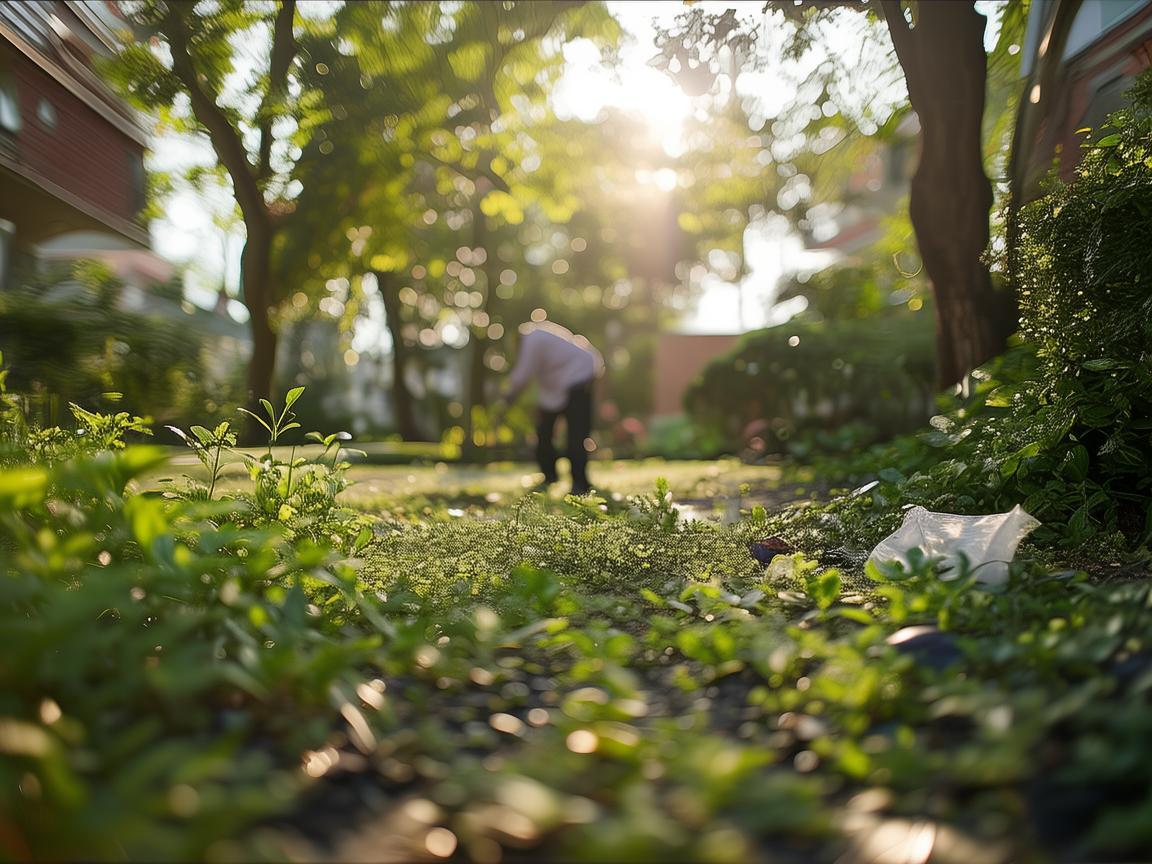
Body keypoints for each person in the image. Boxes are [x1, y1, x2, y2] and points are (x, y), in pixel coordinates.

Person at [495, 319, 603, 495]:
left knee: (576, 436)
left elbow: (522, 375)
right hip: (563, 383)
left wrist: (507, 400)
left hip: (580, 377)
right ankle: (550, 476)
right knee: (544, 432)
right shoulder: (540, 337)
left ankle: (580, 484)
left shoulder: (532, 339)